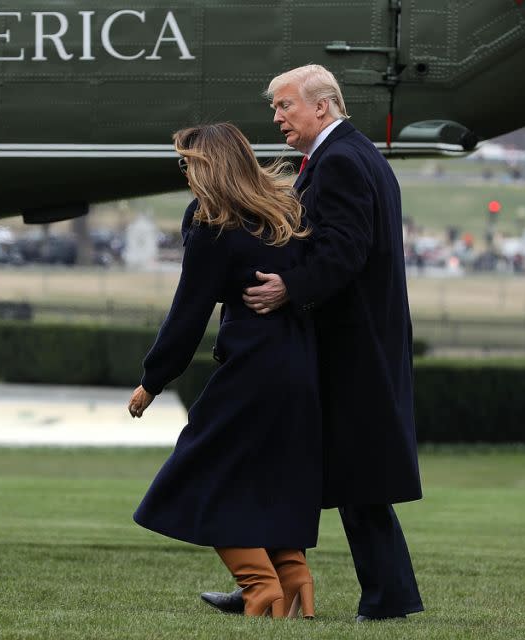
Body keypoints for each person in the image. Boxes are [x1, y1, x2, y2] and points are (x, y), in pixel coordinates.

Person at [201, 64, 425, 622]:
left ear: (321, 107)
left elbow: (345, 250)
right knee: (351, 479)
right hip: (361, 342)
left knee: (337, 476)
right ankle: (323, 590)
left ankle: (333, 592)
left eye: (285, 106)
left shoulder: (342, 160)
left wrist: (288, 289)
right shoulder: (357, 154)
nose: (276, 117)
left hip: (350, 347)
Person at [127, 122, 323, 619]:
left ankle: (259, 588)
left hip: (253, 367)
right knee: (270, 474)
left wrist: (153, 380)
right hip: (300, 362)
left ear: (208, 166)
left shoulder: (213, 223)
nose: (185, 172)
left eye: (188, 162)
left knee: (201, 472)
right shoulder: (283, 211)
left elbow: (189, 311)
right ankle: (294, 580)